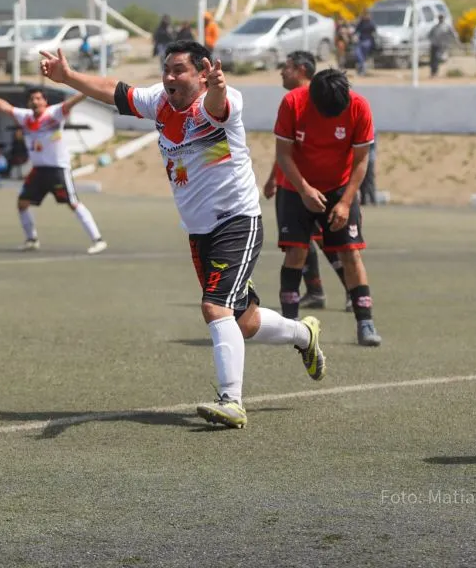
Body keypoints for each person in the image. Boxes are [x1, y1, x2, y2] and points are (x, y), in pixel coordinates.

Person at [38, 40, 326, 429]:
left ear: (203, 73)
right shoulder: (159, 101)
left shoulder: (224, 101)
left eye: (179, 70)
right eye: (166, 70)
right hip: (199, 230)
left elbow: (217, 106)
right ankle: (304, 335)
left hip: (237, 220)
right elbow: (114, 91)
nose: (169, 77)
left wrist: (218, 87)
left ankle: (231, 401)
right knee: (243, 320)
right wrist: (69, 76)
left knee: (215, 307)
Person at [274, 67, 382, 347]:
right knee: (296, 252)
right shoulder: (292, 103)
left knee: (350, 254)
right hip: (295, 187)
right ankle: (290, 325)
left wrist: (345, 202)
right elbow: (283, 154)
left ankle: (365, 322)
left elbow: (361, 160)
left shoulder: (359, 107)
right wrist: (304, 190)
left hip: (339, 189)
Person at [0, 80, 107, 255]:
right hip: (38, 170)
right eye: (32, 99)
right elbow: (4, 107)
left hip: (57, 169)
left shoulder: (55, 113)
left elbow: (72, 102)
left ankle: (98, 240)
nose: (35, 102)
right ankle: (31, 240)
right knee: (22, 203)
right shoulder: (25, 117)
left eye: (39, 98)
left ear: (45, 101)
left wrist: (88, 89)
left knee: (73, 203)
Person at [262, 51, 347, 311]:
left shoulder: (308, 100)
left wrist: (276, 179)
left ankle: (347, 291)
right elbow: (286, 149)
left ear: (301, 69)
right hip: (300, 182)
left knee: (315, 239)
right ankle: (317, 290)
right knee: (308, 239)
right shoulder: (296, 101)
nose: (282, 71)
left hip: (304, 186)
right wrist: (274, 177)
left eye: (287, 67)